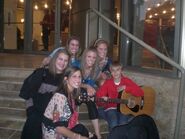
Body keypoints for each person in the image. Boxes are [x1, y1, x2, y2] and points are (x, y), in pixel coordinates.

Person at [19, 49, 69, 139]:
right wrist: (30, 111)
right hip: (36, 116)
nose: (62, 62)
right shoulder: (42, 73)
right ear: (54, 59)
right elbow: (29, 94)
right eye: (60, 59)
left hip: (53, 118)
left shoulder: (66, 79)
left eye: (65, 60)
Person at [42, 66, 95, 139]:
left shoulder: (71, 94)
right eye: (74, 76)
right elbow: (57, 127)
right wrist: (78, 137)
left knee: (83, 129)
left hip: (64, 129)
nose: (78, 79)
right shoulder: (60, 97)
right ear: (66, 79)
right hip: (54, 134)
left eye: (79, 77)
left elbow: (72, 118)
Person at [96, 61, 144, 131]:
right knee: (113, 123)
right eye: (113, 70)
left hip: (124, 108)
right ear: (110, 72)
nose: (115, 72)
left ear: (121, 70)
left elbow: (140, 92)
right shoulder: (108, 83)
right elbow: (98, 98)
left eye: (118, 70)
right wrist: (102, 100)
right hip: (111, 108)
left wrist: (126, 88)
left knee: (123, 123)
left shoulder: (126, 81)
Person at [80, 46, 102, 138]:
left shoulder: (96, 70)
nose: (91, 59)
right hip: (75, 91)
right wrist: (87, 86)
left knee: (91, 102)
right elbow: (72, 82)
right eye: (89, 56)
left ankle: (98, 134)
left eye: (94, 57)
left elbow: (93, 86)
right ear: (85, 56)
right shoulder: (77, 65)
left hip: (86, 94)